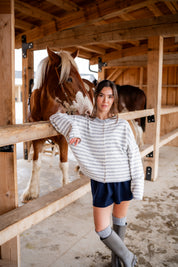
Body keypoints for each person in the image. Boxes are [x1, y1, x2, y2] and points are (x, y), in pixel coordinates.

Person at [50, 80, 144, 267]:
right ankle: (128, 258)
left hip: (123, 180)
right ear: (96, 97)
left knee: (119, 222)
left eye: (110, 96)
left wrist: (138, 185)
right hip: (100, 183)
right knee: (102, 229)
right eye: (101, 95)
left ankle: (117, 263)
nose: (105, 100)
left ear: (114, 99)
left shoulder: (122, 125)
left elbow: (133, 156)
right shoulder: (84, 122)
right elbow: (55, 118)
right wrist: (74, 129)